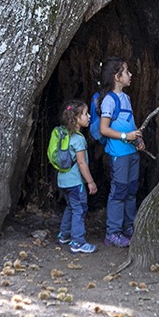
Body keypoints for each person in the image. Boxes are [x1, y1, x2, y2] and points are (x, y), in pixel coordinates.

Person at [97, 57, 143, 247]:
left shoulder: (127, 98)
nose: (130, 75)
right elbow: (104, 129)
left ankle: (128, 228)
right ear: (117, 77)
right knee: (119, 192)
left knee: (131, 191)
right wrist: (126, 136)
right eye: (126, 72)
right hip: (119, 154)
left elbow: (129, 123)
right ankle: (113, 232)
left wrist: (138, 139)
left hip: (132, 153)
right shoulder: (109, 100)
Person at [56, 100, 98, 253]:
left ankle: (64, 234)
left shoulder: (63, 135)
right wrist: (90, 182)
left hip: (63, 180)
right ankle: (78, 242)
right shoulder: (79, 139)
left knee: (71, 206)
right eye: (85, 114)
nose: (89, 116)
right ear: (76, 118)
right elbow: (81, 163)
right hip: (75, 182)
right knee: (79, 209)